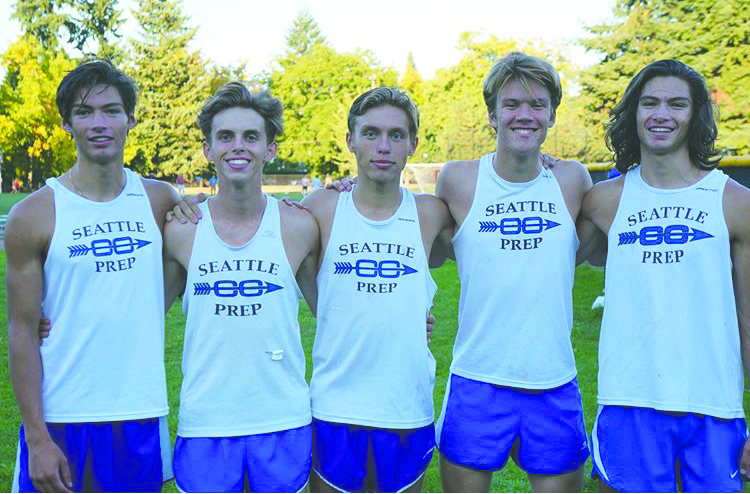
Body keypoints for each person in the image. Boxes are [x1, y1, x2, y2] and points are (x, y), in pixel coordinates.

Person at [6, 59, 180, 493]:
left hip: (138, 411)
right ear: (67, 123)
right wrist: (37, 437)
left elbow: (227, 230)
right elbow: (22, 331)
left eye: (111, 110)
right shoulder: (35, 213)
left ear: (130, 119)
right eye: (84, 112)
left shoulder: (160, 201)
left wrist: (339, 190)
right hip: (61, 415)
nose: (99, 123)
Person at [578, 59, 750, 492]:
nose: (661, 114)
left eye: (677, 104)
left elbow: (749, 318)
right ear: (633, 113)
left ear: (695, 116)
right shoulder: (603, 202)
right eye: (649, 103)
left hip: (712, 405)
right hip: (628, 400)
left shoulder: (734, 202)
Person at [433, 52, 593, 492]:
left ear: (553, 116)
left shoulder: (573, 180)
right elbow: (397, 218)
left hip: (553, 379)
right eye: (512, 105)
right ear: (492, 114)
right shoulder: (458, 180)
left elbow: (580, 251)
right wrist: (346, 185)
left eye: (538, 105)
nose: (525, 115)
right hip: (477, 378)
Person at [163, 82, 319, 492]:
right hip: (206, 422)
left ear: (270, 149)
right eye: (225, 137)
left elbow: (335, 309)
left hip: (283, 419)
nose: (238, 147)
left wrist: (413, 318)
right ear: (208, 149)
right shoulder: (180, 229)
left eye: (251, 137)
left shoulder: (299, 225)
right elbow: (141, 312)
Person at [300, 87, 452, 492]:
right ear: (350, 140)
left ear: (413, 145)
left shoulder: (429, 214)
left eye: (396, 135)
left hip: (405, 405)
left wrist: (537, 163)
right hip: (335, 405)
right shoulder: (321, 208)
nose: (383, 146)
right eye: (370, 133)